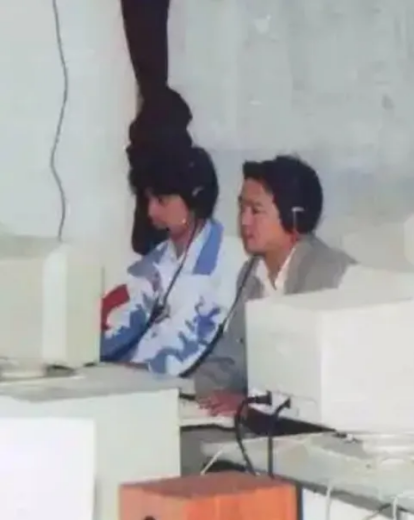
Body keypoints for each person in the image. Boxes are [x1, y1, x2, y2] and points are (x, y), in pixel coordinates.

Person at [194, 155, 355, 417]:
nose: (244, 221)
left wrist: (251, 406)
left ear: (295, 218)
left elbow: (314, 377)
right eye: (242, 209)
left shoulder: (329, 274)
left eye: (255, 211)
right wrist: (194, 394)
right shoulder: (251, 275)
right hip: (265, 423)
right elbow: (230, 359)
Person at [101, 146, 243, 376]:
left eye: (161, 200)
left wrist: (136, 372)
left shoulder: (231, 262)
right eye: (148, 199)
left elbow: (197, 346)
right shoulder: (154, 263)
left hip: (182, 387)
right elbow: (124, 326)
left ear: (196, 199)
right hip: (136, 380)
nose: (151, 211)